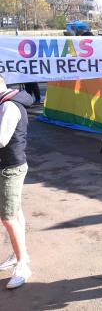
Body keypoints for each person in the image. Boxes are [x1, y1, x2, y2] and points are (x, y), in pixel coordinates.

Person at [0, 74, 34, 289]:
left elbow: (1, 139)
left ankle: (23, 265)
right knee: (15, 212)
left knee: (8, 217)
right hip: (10, 166)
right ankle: (20, 254)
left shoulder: (9, 106)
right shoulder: (7, 103)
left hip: (10, 168)